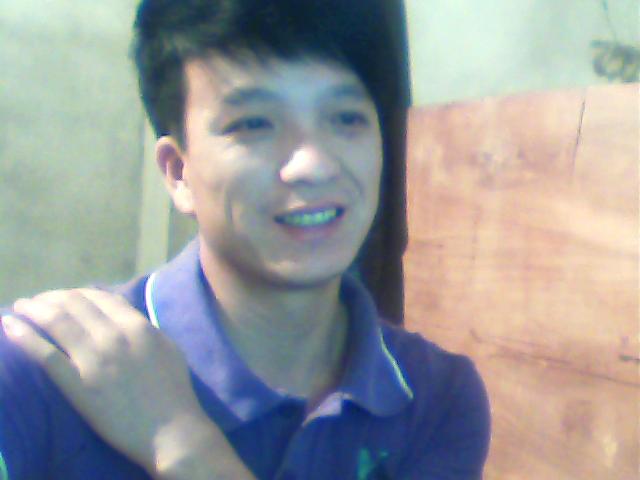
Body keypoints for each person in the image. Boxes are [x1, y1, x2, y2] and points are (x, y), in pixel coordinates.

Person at [0, 1, 491, 478]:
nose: (313, 164)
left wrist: (183, 445)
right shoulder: (40, 366)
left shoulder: (436, 398)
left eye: (346, 118)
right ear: (178, 173)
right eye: (254, 123)